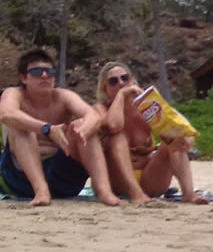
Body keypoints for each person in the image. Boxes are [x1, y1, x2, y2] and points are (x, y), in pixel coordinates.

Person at [0, 49, 139, 207]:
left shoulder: (63, 96)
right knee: (20, 127)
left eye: (49, 72)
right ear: (24, 78)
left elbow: (93, 116)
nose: (45, 76)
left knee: (83, 126)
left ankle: (104, 192)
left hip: (63, 178)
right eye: (37, 72)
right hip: (21, 180)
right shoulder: (14, 94)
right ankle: (41, 191)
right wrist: (47, 129)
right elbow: (7, 114)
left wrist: (83, 132)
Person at [94, 60, 213, 203]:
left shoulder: (145, 107)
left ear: (132, 81)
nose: (121, 83)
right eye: (113, 81)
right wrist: (120, 95)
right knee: (117, 137)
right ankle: (136, 193)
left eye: (125, 78)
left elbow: (176, 124)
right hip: (119, 182)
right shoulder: (100, 109)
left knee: (171, 140)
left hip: (150, 178)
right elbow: (113, 126)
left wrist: (186, 140)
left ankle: (188, 193)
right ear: (105, 88)